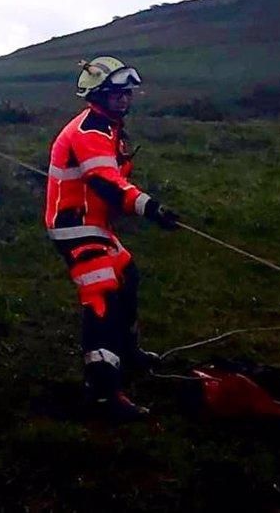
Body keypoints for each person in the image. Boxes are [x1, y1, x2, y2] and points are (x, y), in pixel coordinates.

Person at [42, 56, 181, 422]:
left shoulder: (109, 127)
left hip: (96, 225)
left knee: (127, 274)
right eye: (115, 93)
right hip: (75, 226)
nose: (124, 99)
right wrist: (150, 208)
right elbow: (105, 181)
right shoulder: (90, 131)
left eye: (126, 92)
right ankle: (103, 393)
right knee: (101, 292)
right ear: (98, 95)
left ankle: (127, 354)